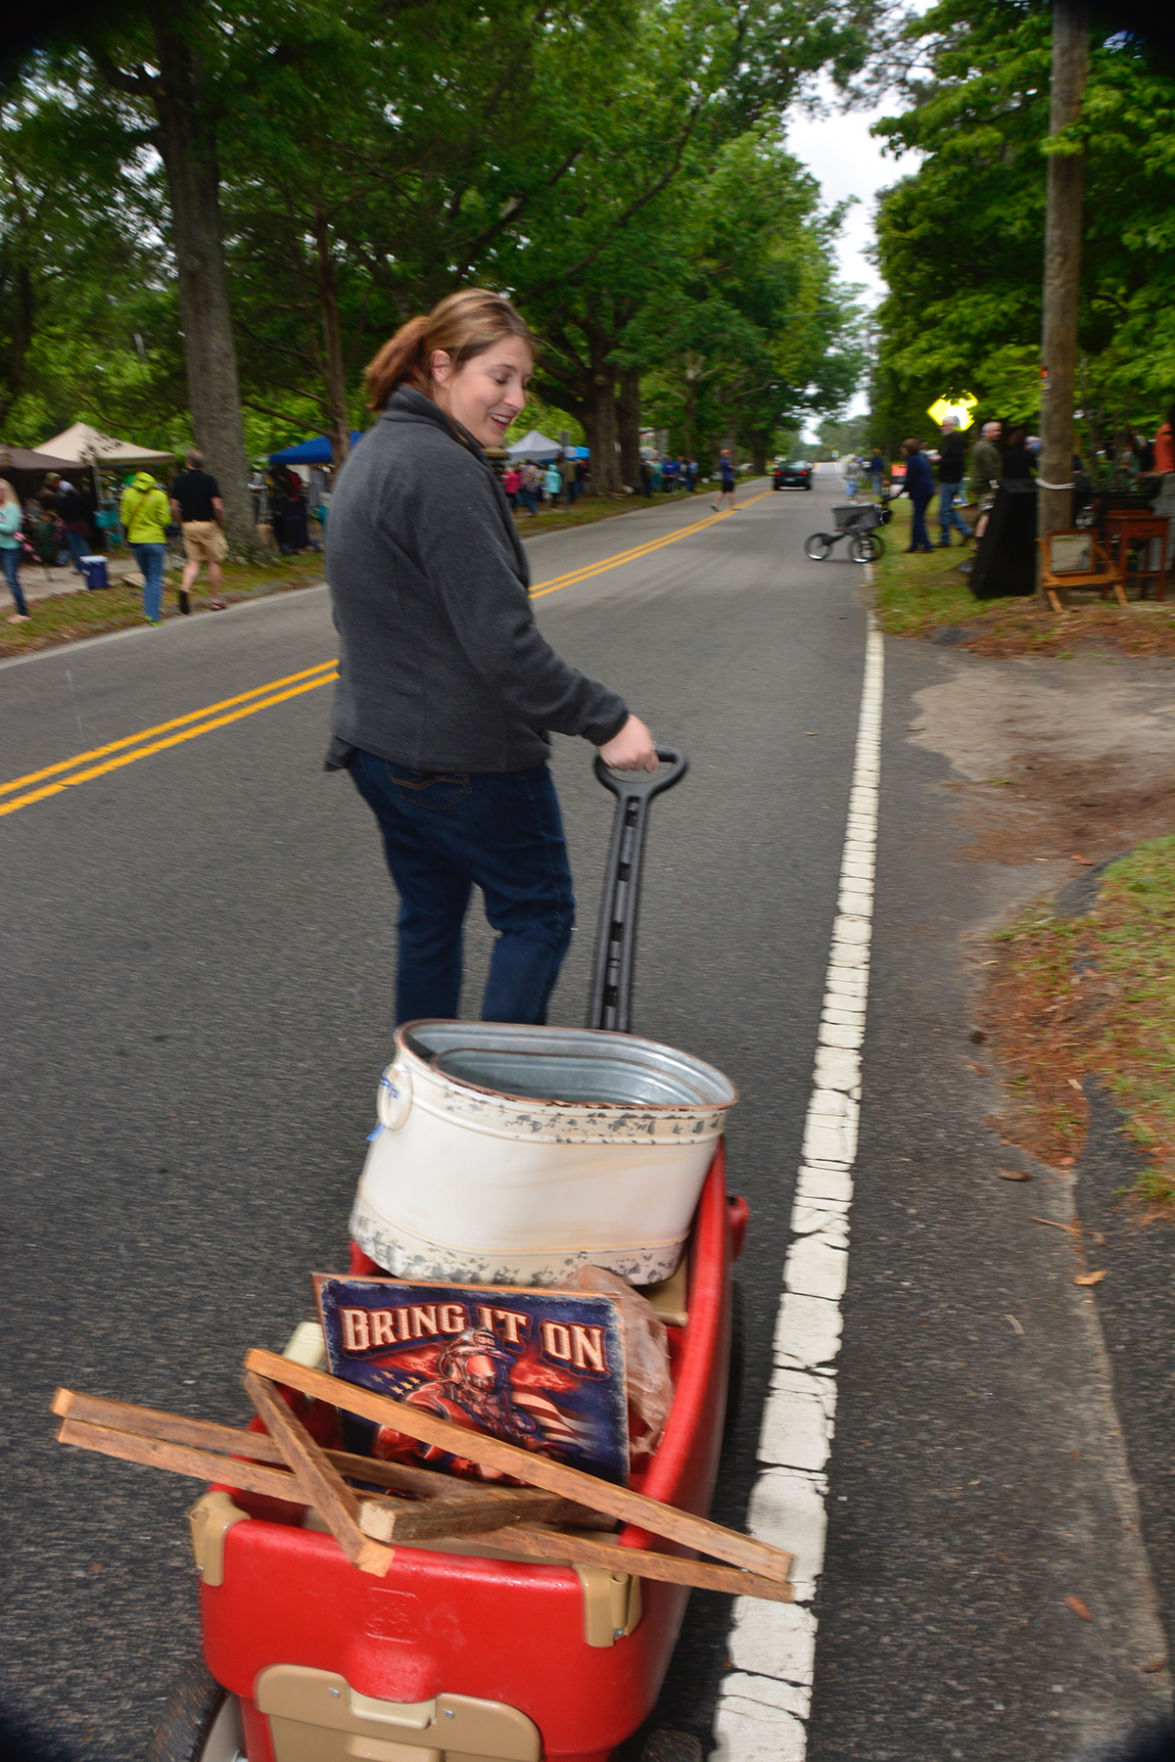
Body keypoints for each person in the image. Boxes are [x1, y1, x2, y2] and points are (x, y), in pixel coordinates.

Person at [324, 286, 658, 1028]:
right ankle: (495, 1110)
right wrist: (608, 722)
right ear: (442, 365)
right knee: (536, 916)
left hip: (380, 748)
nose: (515, 399)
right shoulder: (441, 467)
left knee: (429, 919)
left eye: (523, 381)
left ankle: (424, 1099)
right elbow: (504, 647)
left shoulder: (375, 454)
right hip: (462, 756)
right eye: (499, 377)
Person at [170, 449, 227, 611]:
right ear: (202, 465)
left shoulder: (179, 481)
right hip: (207, 524)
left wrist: (180, 522)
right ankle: (215, 600)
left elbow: (174, 507)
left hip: (188, 525)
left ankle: (184, 588)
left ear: (188, 463)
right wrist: (220, 523)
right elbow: (217, 505)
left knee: (193, 562)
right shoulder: (209, 480)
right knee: (213, 560)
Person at [119, 470, 172, 624]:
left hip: (136, 542)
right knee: (155, 579)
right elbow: (165, 520)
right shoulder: (160, 496)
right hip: (155, 540)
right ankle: (153, 616)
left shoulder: (127, 494)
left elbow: (125, 520)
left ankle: (148, 612)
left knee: (147, 578)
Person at [935, 418, 972, 547]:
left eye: (944, 425)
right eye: (942, 425)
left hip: (951, 478)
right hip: (949, 477)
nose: (942, 427)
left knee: (945, 510)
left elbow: (957, 460)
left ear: (952, 426)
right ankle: (965, 531)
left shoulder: (955, 439)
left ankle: (945, 539)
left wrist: (939, 461)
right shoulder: (950, 439)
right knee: (948, 509)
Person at [0, 478, 31, 622]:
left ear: (4, 492)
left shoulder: (13, 508)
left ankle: (23, 613)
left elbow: (11, 529)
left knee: (12, 580)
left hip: (10, 549)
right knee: (9, 580)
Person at [900, 438, 935, 552]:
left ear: (908, 449)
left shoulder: (913, 460)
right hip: (927, 490)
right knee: (917, 518)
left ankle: (927, 545)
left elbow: (910, 478)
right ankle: (914, 545)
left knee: (918, 520)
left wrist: (903, 490)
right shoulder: (920, 457)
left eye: (904, 448)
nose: (902, 450)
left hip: (921, 492)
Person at [56, 479, 92, 575]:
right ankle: (91, 564)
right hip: (82, 524)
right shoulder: (80, 497)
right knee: (84, 544)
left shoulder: (64, 499)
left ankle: (80, 567)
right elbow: (88, 509)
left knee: (75, 547)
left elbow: (61, 513)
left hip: (71, 524)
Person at [969, 420, 1003, 505]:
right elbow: (990, 470)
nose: (999, 433)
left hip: (982, 486)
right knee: (987, 514)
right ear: (987, 432)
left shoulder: (980, 445)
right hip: (986, 488)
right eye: (996, 430)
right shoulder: (986, 448)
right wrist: (999, 482)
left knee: (986, 512)